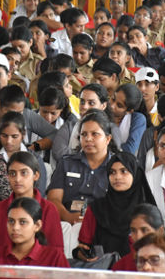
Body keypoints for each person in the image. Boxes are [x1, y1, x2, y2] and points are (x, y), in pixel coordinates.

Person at [48, 110, 115, 258]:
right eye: (84, 135)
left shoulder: (117, 167)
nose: (88, 139)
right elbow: (53, 199)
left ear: (108, 139)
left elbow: (119, 205)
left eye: (94, 134)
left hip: (101, 228)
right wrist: (67, 216)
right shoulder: (67, 163)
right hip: (66, 224)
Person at [75, 152, 155, 260]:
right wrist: (82, 254)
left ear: (135, 174)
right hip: (102, 271)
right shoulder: (96, 208)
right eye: (112, 172)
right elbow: (83, 247)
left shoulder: (148, 212)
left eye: (124, 171)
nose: (117, 177)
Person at [0, 152, 63, 252]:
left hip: (38, 266)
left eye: (24, 173)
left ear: (36, 175)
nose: (17, 179)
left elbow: (56, 251)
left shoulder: (48, 209)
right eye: (12, 173)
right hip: (2, 266)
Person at [0, 198, 69, 278]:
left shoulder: (55, 258)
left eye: (23, 222)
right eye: (11, 221)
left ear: (37, 225)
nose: (15, 227)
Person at [112, 204, 165, 273]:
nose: (138, 236)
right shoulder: (122, 265)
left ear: (160, 231)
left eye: (144, 230)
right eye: (133, 231)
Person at [109, 84, 148, 154]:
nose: (112, 106)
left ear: (129, 111)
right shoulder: (101, 112)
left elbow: (130, 149)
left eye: (119, 105)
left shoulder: (137, 119)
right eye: (113, 99)